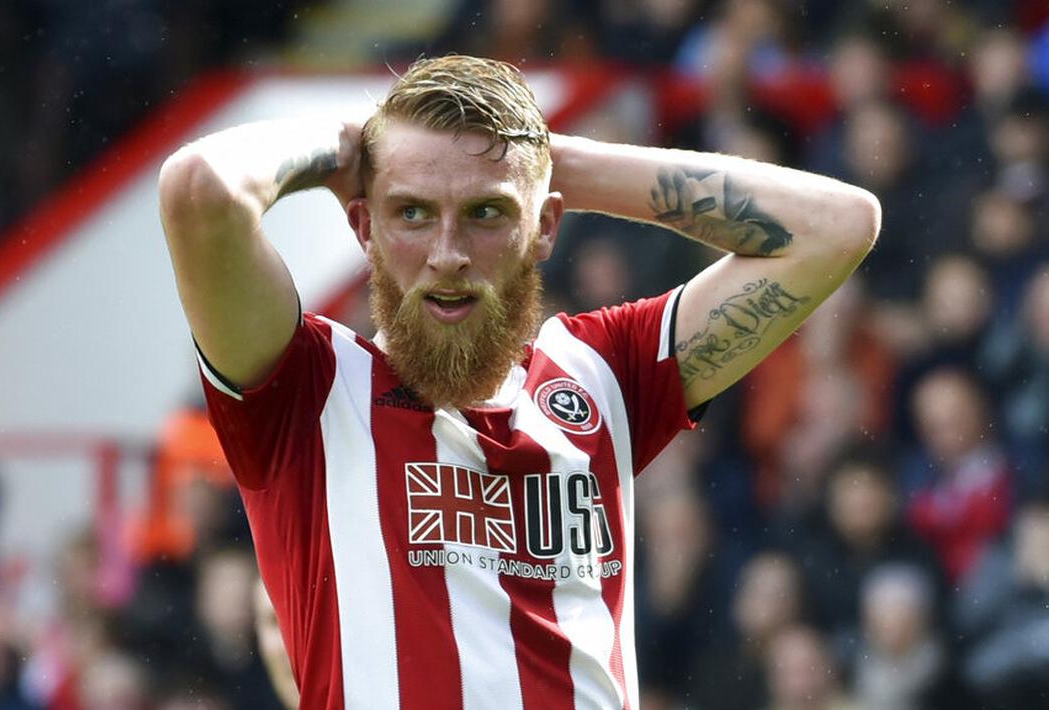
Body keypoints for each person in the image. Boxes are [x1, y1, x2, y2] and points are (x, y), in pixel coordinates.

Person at [158, 55, 879, 709]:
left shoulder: (603, 372)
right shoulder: (305, 390)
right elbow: (200, 188)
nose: (446, 253)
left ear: (545, 228)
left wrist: (558, 162)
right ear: (363, 226)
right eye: (411, 211)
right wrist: (346, 149)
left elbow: (839, 225)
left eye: (485, 213)